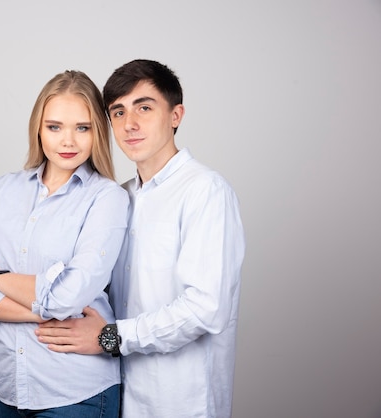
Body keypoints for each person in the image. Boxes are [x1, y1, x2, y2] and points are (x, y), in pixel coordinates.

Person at [35, 59, 246, 418]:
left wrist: (110, 337)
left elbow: (205, 308)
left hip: (182, 401)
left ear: (176, 115)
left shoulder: (205, 191)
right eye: (117, 112)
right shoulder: (118, 197)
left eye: (144, 108)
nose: (129, 124)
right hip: (118, 396)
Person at [0, 70, 129, 417]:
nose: (68, 141)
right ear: (38, 129)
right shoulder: (3, 191)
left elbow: (69, 298)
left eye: (83, 127)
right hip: (6, 388)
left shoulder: (107, 199)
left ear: (97, 133)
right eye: (55, 126)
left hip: (75, 393)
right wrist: (47, 302)